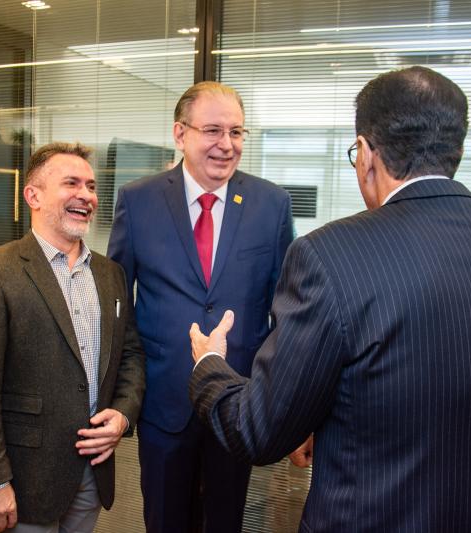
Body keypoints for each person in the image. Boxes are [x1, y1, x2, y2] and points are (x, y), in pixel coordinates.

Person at [188, 66, 471, 532]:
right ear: (457, 151)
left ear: (365, 154)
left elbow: (257, 430)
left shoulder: (331, 255)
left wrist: (210, 364)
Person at [107, 81, 293, 532]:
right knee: (165, 520)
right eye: (212, 130)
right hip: (163, 402)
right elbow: (117, 304)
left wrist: (274, 394)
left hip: (238, 400)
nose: (226, 144)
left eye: (236, 132)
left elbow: (286, 310)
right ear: (180, 133)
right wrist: (123, 392)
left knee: (224, 522)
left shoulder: (271, 204)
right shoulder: (138, 200)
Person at [0, 142, 145, 533]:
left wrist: (123, 415)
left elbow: (130, 355)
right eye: (71, 183)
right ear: (33, 196)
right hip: (25, 479)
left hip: (93, 472)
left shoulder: (110, 274)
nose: (86, 196)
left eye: (91, 186)